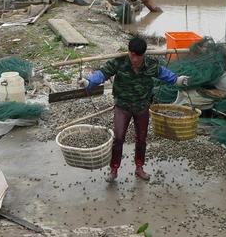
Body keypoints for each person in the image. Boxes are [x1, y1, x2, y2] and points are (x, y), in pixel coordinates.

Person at [79, 37, 188, 182]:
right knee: (118, 138)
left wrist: (178, 79)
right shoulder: (119, 62)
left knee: (141, 139)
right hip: (122, 106)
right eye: (132, 55)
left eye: (138, 56)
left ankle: (139, 167)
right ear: (129, 52)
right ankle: (114, 169)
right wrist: (89, 82)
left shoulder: (151, 64)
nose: (135, 59)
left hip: (142, 106)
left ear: (143, 55)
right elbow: (103, 73)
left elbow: (165, 74)